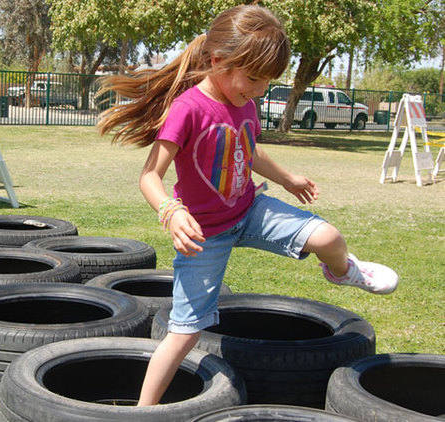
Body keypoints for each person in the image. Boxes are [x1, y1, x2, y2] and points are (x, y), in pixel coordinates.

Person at [96, 5, 399, 407]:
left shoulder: (246, 104)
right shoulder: (188, 108)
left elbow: (248, 151)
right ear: (218, 60)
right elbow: (149, 176)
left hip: (250, 211)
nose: (258, 90)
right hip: (204, 233)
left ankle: (344, 272)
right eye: (253, 79)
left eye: (267, 81)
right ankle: (142, 411)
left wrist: (287, 179)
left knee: (329, 236)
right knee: (184, 332)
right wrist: (171, 211)